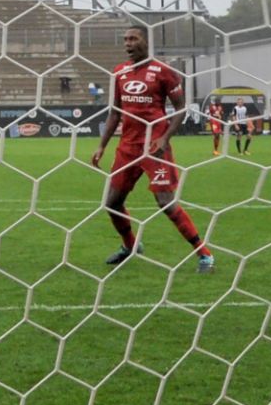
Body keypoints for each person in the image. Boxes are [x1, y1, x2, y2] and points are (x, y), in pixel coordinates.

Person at [91, 25, 213, 272]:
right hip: (127, 147)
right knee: (112, 202)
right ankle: (131, 246)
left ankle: (205, 255)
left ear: (146, 41)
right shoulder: (120, 72)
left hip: (155, 146)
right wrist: (102, 146)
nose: (128, 43)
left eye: (133, 38)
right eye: (125, 39)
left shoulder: (163, 71)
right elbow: (115, 112)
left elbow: (180, 108)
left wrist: (165, 138)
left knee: (165, 202)